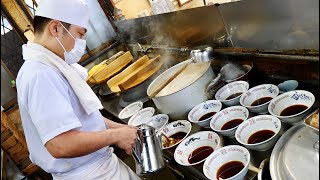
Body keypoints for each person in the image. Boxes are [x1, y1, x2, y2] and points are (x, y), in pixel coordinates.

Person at [16, 0, 140, 179]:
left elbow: (87, 120)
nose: (82, 41)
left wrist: (124, 131)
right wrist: (115, 135)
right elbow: (60, 144)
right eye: (79, 34)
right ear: (55, 28)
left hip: (100, 167)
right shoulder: (40, 74)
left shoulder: (51, 66)